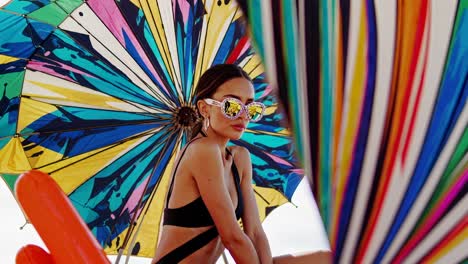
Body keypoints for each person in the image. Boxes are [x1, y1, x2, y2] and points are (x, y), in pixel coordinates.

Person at [152, 64, 331, 264]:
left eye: (251, 108)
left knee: (329, 259)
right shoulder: (202, 150)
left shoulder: (240, 157)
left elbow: (254, 232)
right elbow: (232, 237)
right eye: (232, 106)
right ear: (204, 108)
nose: (244, 115)